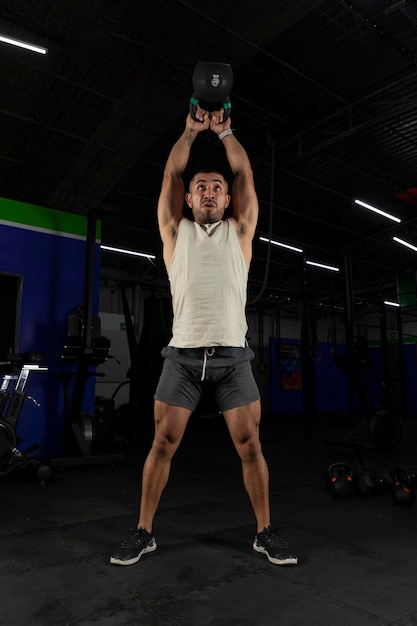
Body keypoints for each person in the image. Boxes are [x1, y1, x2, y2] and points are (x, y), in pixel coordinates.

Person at [110, 105, 298, 567]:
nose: (210, 191)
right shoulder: (175, 233)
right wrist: (191, 132)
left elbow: (246, 172)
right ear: (189, 200)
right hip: (183, 358)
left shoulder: (241, 233)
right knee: (162, 444)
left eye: (217, 187)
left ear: (227, 199)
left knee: (251, 445)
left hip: (233, 356)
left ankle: (265, 532)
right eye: (201, 187)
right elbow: (172, 170)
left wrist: (227, 131)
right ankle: (143, 532)